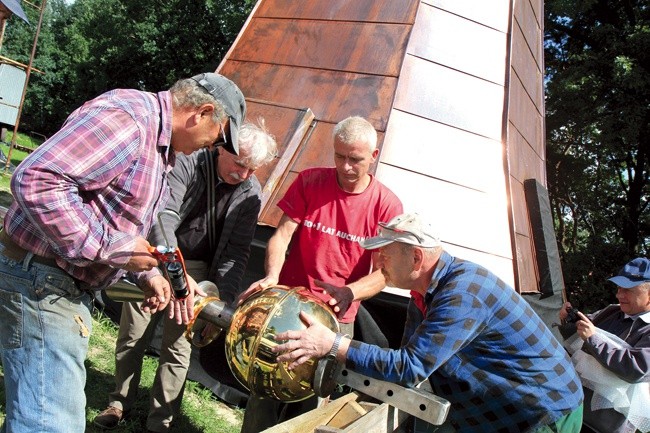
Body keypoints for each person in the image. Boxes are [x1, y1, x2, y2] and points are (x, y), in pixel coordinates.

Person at [0, 72, 246, 433]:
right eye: (219, 136)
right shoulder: (130, 120)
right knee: (50, 423)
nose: (213, 146)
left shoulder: (162, 149)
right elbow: (38, 180)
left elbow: (120, 221)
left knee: (36, 414)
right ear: (203, 113)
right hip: (42, 280)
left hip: (55, 283)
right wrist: (110, 248)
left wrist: (149, 275)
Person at [273, 212, 585, 433]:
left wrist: (333, 343)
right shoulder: (422, 295)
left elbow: (408, 369)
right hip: (498, 410)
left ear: (417, 259)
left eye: (384, 255)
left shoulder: (463, 293)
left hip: (543, 411)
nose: (377, 263)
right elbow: (409, 364)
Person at [93, 121, 277, 432]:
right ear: (222, 148)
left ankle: (160, 422)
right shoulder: (187, 162)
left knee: (178, 349)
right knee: (132, 334)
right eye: (240, 164)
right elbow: (164, 216)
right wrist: (170, 269)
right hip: (154, 258)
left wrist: (221, 300)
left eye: (252, 169)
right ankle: (118, 402)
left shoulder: (251, 192)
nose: (243, 174)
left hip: (200, 274)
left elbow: (237, 252)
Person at [238, 115, 403, 433]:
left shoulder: (387, 205)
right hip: (289, 305)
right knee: (264, 386)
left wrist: (350, 291)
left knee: (312, 401)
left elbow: (387, 272)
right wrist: (273, 275)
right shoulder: (310, 180)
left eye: (355, 159)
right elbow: (282, 234)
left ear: (374, 155)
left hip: (336, 319)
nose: (345, 167)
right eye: (339, 156)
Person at [559, 257, 650, 433]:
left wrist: (594, 339)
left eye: (628, 290)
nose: (619, 295)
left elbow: (635, 368)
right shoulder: (612, 311)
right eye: (619, 288)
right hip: (578, 409)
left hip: (610, 425)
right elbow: (579, 334)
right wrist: (568, 319)